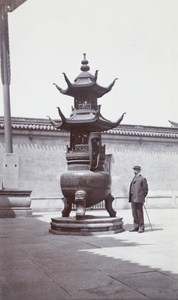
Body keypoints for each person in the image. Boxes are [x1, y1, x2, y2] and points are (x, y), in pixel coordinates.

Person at [129, 166, 148, 233]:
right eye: (134, 170)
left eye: (136, 170)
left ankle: (141, 227)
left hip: (139, 199)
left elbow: (145, 190)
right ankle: (136, 226)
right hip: (133, 198)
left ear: (139, 171)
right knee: (134, 213)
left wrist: (142, 197)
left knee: (139, 213)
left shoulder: (142, 179)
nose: (135, 171)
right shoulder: (134, 178)